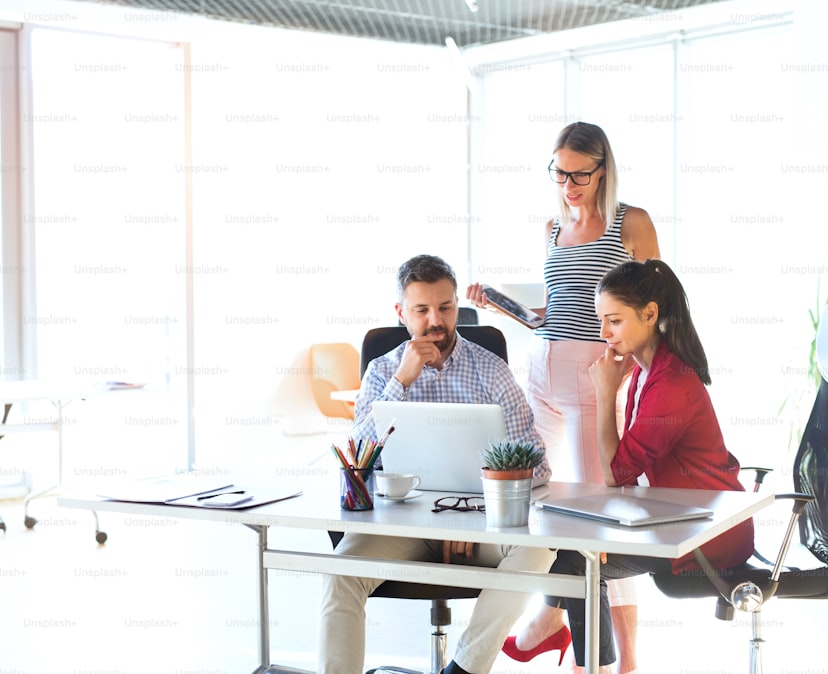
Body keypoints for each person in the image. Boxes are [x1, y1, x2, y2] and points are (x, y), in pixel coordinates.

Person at [468, 121, 659, 672]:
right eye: (559, 172)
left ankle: (625, 662)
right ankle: (563, 627)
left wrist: (628, 373)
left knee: (601, 519)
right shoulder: (552, 227)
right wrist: (505, 307)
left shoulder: (631, 223)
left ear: (603, 169)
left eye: (580, 174)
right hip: (542, 370)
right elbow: (555, 311)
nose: (569, 184)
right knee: (544, 508)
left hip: (593, 374)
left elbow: (655, 309)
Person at [508, 259, 755, 673]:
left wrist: (604, 393)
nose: (603, 333)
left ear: (651, 314)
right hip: (682, 516)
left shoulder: (670, 382)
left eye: (614, 321)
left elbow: (615, 472)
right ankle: (574, 647)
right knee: (575, 542)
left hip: (708, 533)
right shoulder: (649, 370)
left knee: (576, 558)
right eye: (601, 320)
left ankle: (587, 661)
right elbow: (625, 470)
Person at [318, 254, 555, 674]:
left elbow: (535, 466)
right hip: (402, 526)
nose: (436, 321)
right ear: (401, 313)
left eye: (445, 308)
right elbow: (359, 460)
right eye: (421, 310)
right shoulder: (382, 372)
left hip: (480, 528)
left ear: (457, 306)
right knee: (341, 573)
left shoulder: (491, 370)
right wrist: (401, 383)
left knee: (539, 552)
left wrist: (473, 517)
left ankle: (463, 668)